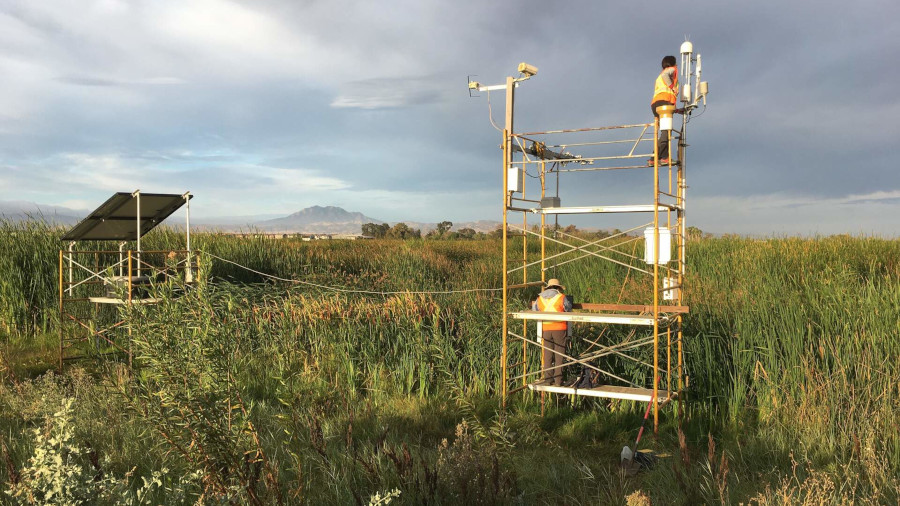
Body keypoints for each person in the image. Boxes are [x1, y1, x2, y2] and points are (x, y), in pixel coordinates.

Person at [532, 278, 573, 386]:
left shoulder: (540, 298)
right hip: (559, 329)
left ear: (549, 287)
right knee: (559, 355)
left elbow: (534, 309)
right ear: (558, 288)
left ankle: (548, 379)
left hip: (546, 329)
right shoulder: (561, 297)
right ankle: (558, 381)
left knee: (548, 355)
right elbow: (568, 308)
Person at [650, 55, 684, 165]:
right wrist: (673, 87)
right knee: (666, 131)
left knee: (665, 131)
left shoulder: (660, 77)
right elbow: (666, 76)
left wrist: (677, 110)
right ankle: (656, 158)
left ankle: (662, 157)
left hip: (657, 104)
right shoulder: (671, 70)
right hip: (663, 103)